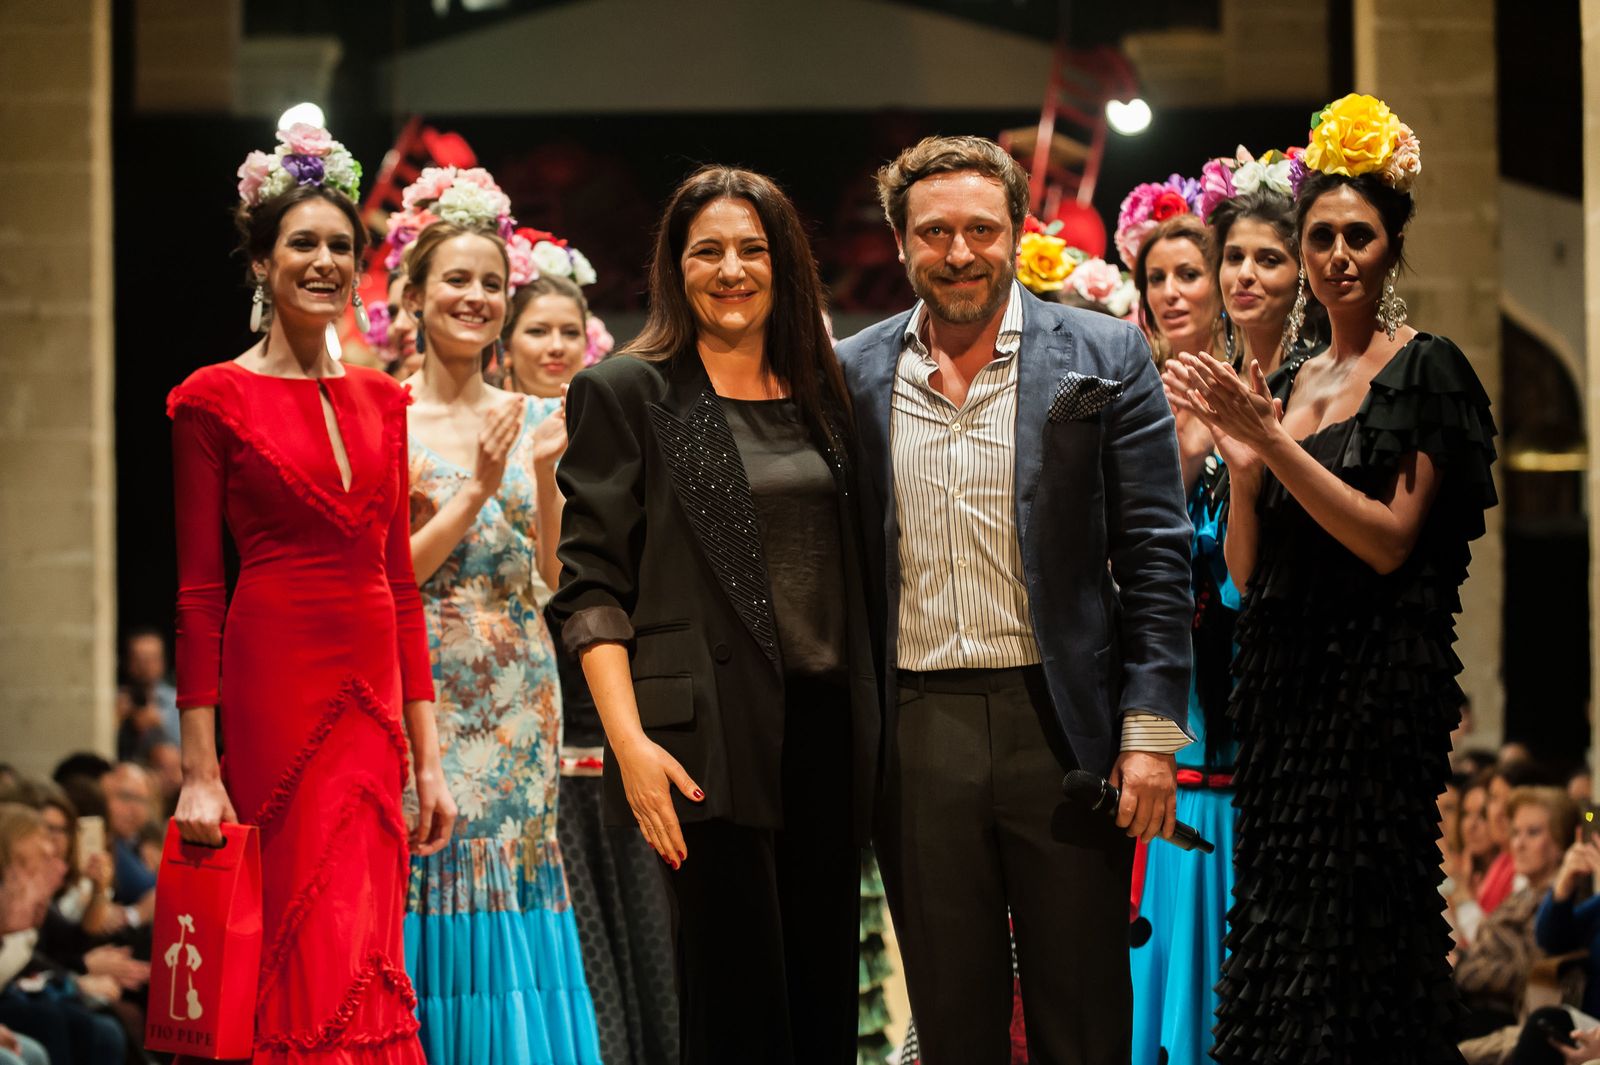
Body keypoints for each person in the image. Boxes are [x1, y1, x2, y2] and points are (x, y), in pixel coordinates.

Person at [835, 134, 1192, 1064]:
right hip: (914, 730)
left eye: (982, 230)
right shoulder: (853, 373)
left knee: (1081, 1016)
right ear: (902, 240)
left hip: (1060, 725)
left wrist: (1149, 732)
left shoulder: (1107, 352)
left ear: (1015, 231)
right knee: (954, 1024)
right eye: (936, 232)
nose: (960, 252)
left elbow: (1156, 553)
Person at [1174, 94, 1498, 1061]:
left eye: (1359, 235)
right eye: (1321, 237)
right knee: (1277, 940)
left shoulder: (1423, 368)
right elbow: (1243, 574)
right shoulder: (1300, 379)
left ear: (1393, 245)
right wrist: (1242, 472)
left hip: (1369, 691)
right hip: (1280, 694)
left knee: (1361, 930)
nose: (1337, 255)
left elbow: (1391, 538)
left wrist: (1271, 441)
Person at [549, 165, 879, 1065]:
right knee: (736, 1015)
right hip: (702, 746)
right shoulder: (627, 390)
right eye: (708, 251)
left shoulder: (829, 396)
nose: (731, 270)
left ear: (785, 266)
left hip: (827, 734)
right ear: (675, 266)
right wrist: (631, 746)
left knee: (822, 1012)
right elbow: (589, 587)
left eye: (751, 249)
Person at [168, 122, 454, 1060]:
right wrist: (199, 771)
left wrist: (431, 756)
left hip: (372, 702)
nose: (325, 261)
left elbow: (401, 585)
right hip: (272, 690)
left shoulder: (386, 402)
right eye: (303, 243)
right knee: (295, 917)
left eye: (341, 245)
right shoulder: (211, 399)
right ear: (262, 259)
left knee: (365, 931)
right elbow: (199, 595)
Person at [397, 202, 601, 1063]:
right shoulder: (383, 414)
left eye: (491, 282)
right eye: (456, 279)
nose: (475, 296)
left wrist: (547, 471)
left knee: (516, 876)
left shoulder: (531, 415)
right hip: (429, 686)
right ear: (414, 294)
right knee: (436, 869)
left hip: (525, 686)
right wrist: (476, 488)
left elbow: (554, 577)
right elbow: (385, 580)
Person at [505, 270, 682, 1064]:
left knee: (647, 944)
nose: (553, 347)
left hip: (609, 690)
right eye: (536, 331)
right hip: (520, 699)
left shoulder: (616, 424)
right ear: (505, 347)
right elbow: (551, 581)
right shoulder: (490, 436)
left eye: (567, 333)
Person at [1454, 788, 1579, 1036]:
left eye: (1532, 833)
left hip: (1504, 1019)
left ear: (1560, 843)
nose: (1518, 844)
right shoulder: (1523, 893)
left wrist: (1464, 967)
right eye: (1515, 833)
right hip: (1471, 1002)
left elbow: (1528, 973)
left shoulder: (1557, 903)